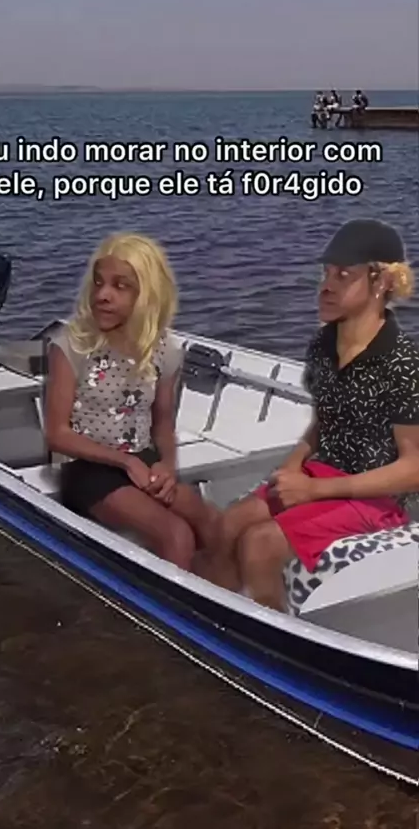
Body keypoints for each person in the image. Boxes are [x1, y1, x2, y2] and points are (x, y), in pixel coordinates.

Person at [194, 218, 419, 611]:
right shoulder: (324, 345)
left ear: (381, 282)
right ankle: (214, 617)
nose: (326, 286)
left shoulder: (401, 363)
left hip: (377, 497)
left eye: (343, 275)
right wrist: (294, 464)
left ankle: (271, 635)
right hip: (323, 474)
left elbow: (413, 469)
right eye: (325, 273)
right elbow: (324, 422)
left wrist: (315, 491)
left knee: (259, 544)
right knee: (227, 526)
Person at [44, 231, 218, 570]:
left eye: (120, 286)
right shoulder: (71, 346)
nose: (103, 295)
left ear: (147, 295)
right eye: (99, 283)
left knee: (210, 522)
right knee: (176, 534)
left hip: (142, 460)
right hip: (86, 468)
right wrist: (124, 462)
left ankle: (222, 593)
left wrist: (167, 465)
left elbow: (162, 422)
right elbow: (56, 434)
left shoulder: (164, 351)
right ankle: (171, 602)